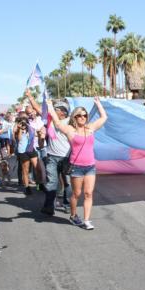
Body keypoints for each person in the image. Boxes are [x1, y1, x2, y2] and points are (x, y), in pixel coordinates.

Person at [48, 97, 108, 229]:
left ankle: (86, 220)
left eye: (85, 115)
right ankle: (73, 215)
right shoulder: (70, 130)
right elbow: (57, 123)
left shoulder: (90, 128)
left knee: (88, 193)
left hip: (90, 167)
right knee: (76, 194)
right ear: (74, 117)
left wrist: (98, 104)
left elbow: (104, 118)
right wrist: (50, 106)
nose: (83, 117)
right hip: (76, 167)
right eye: (79, 115)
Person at [25, 90, 71, 216]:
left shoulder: (70, 122)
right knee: (51, 182)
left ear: (63, 112)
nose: (53, 111)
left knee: (68, 183)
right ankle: (49, 206)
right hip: (52, 157)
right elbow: (38, 109)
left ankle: (67, 204)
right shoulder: (50, 120)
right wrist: (30, 97)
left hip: (67, 158)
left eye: (56, 109)